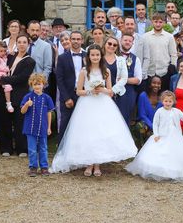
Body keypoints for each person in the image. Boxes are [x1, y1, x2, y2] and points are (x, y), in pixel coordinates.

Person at [50, 44, 138, 176]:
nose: (95, 57)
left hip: (103, 104)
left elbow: (110, 91)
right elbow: (79, 91)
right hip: (87, 104)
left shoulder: (106, 71)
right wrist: (90, 91)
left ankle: (97, 164)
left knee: (99, 133)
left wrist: (102, 90)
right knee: (88, 133)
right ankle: (88, 163)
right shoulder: (84, 71)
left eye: (97, 55)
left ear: (100, 56)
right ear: (88, 57)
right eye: (93, 55)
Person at [125, 90, 183, 181]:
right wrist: (156, 134)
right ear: (162, 101)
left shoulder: (176, 111)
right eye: (166, 101)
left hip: (174, 136)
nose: (168, 103)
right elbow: (155, 124)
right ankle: (158, 170)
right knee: (160, 151)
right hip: (162, 134)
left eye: (170, 101)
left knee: (173, 152)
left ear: (173, 102)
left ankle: (174, 170)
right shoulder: (159, 111)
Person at [0, 34, 36, 157]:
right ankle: (6, 148)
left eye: (24, 42)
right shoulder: (10, 57)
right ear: (16, 44)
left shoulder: (30, 61)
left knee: (20, 121)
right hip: (6, 92)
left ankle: (22, 148)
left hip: (20, 93)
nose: (21, 44)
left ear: (28, 44)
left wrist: (4, 79)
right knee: (5, 120)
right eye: (19, 42)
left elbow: (22, 78)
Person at [20, 73, 55, 176]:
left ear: (43, 84)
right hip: (30, 128)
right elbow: (22, 111)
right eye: (34, 84)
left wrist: (49, 127)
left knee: (43, 148)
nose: (37, 86)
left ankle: (44, 167)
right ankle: (33, 167)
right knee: (32, 149)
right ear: (31, 85)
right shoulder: (28, 97)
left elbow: (49, 113)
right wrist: (27, 105)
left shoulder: (47, 98)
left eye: (39, 84)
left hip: (43, 128)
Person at [55, 31, 85, 142]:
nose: (76, 41)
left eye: (78, 39)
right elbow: (59, 79)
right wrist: (66, 98)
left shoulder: (88, 55)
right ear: (70, 40)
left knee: (82, 123)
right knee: (65, 122)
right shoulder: (62, 58)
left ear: (82, 40)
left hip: (84, 95)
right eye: (73, 39)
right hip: (68, 95)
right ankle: (61, 149)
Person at [104, 36, 140, 126]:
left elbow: (125, 78)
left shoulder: (121, 60)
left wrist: (113, 91)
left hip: (118, 93)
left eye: (114, 45)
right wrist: (104, 90)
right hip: (102, 93)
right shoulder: (99, 58)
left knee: (120, 119)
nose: (112, 46)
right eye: (109, 43)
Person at [142, 13, 177, 90]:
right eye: (156, 21)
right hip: (149, 72)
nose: (158, 24)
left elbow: (173, 54)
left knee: (163, 95)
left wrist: (172, 67)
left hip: (164, 71)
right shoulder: (145, 37)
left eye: (160, 22)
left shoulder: (169, 37)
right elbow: (143, 54)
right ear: (152, 22)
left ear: (164, 23)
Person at [114, 33, 142, 126]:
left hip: (128, 93)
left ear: (132, 43)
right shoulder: (113, 55)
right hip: (112, 91)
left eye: (130, 41)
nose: (127, 42)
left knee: (124, 119)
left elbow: (138, 79)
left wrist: (123, 80)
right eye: (125, 40)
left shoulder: (135, 59)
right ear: (120, 41)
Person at [135, 76, 163, 147]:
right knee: (140, 127)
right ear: (150, 84)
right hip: (146, 123)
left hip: (158, 124)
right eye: (154, 83)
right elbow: (142, 115)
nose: (156, 85)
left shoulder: (162, 98)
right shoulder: (143, 96)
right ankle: (141, 146)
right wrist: (152, 127)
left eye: (158, 83)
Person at [0, 40, 14, 113]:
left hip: (2, 75)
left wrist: (9, 52)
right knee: (7, 86)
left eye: (4, 51)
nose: (3, 53)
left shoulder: (3, 56)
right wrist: (7, 69)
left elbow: (7, 54)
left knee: (6, 87)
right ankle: (8, 103)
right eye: (1, 51)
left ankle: (7, 102)